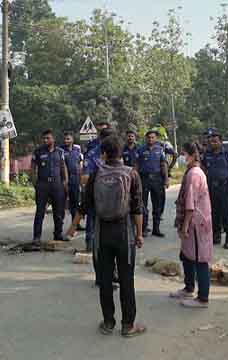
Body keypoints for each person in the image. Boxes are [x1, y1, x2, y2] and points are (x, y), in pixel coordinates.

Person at [67, 135, 146, 337]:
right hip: (124, 233)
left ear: (103, 154)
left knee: (105, 279)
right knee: (127, 280)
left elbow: (84, 205)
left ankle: (108, 323)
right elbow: (137, 208)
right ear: (121, 153)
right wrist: (139, 234)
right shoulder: (132, 174)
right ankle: (128, 325)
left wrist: (72, 228)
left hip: (102, 233)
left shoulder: (95, 174)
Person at [170, 142, 213, 308]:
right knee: (186, 256)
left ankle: (203, 298)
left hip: (196, 223)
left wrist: (185, 226)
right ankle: (189, 288)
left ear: (194, 155)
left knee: (200, 260)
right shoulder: (192, 172)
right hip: (195, 221)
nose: (183, 157)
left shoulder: (194, 174)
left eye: (185, 154)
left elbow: (190, 204)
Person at [201, 128, 228, 249]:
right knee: (213, 213)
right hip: (211, 188)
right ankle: (216, 236)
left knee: (226, 214)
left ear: (221, 142)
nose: (213, 144)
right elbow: (203, 171)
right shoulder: (206, 155)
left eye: (215, 141)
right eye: (211, 142)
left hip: (224, 188)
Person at [31, 129, 68, 245]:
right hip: (42, 184)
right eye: (44, 138)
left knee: (58, 211)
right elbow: (32, 168)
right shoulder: (38, 152)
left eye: (48, 138)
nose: (45, 140)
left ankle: (58, 234)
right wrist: (35, 183)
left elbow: (63, 167)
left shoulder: (60, 151)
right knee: (40, 211)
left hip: (57, 184)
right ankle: (36, 237)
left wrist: (65, 181)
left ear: (53, 139)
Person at [82, 121, 112, 252]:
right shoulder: (93, 153)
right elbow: (85, 177)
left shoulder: (115, 153)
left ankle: (108, 244)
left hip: (113, 193)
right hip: (96, 191)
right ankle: (90, 242)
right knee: (92, 217)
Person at [136, 130, 169, 237]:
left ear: (156, 138)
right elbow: (136, 165)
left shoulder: (160, 150)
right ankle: (144, 228)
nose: (150, 139)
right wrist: (135, 180)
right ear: (146, 138)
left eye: (152, 137)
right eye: (149, 137)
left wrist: (166, 179)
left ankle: (156, 229)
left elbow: (163, 165)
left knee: (157, 204)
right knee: (143, 205)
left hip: (157, 179)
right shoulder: (140, 150)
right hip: (143, 179)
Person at [62, 131, 84, 229]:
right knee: (61, 203)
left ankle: (76, 224)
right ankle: (59, 227)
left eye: (68, 139)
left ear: (72, 140)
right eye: (65, 139)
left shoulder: (77, 149)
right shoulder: (61, 150)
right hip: (64, 179)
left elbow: (80, 164)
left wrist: (81, 180)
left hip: (75, 179)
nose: (66, 141)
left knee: (75, 203)